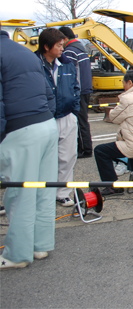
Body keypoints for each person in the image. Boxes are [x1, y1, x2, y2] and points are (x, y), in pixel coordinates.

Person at [0, 30, 59, 269]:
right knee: (43, 190)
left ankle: (17, 255)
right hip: (46, 125)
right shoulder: (24, 52)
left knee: (19, 194)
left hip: (20, 129)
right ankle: (41, 246)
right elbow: (49, 93)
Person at [94, 70, 133, 196]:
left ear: (129, 82)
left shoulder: (128, 99)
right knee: (132, 139)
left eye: (123, 83)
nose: (123, 86)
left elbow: (113, 117)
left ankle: (112, 186)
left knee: (100, 151)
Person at [35, 29, 80, 207]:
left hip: (66, 115)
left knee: (68, 156)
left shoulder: (67, 63)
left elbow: (75, 88)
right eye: (59, 46)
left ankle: (62, 193)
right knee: (43, 158)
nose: (62, 49)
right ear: (46, 46)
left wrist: (74, 111)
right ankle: (42, 193)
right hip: (44, 118)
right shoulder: (34, 64)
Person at [59, 26, 93, 158]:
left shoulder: (70, 52)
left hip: (78, 90)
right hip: (85, 88)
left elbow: (69, 74)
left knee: (79, 121)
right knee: (83, 120)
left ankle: (84, 150)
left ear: (65, 38)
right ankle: (86, 148)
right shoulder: (81, 48)